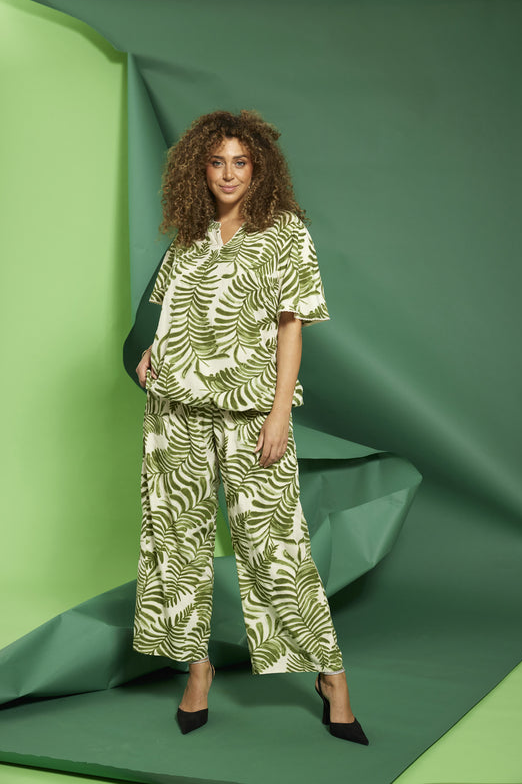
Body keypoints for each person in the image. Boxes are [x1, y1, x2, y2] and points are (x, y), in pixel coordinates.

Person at [133, 109, 368, 745]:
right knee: (176, 544)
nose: (229, 173)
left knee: (275, 546)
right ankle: (198, 670)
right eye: (217, 162)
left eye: (240, 161)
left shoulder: (285, 232)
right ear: (199, 169)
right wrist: (148, 353)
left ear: (259, 167)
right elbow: (164, 314)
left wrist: (278, 413)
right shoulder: (190, 234)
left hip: (252, 411)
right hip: (175, 410)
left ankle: (331, 677)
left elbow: (292, 326)